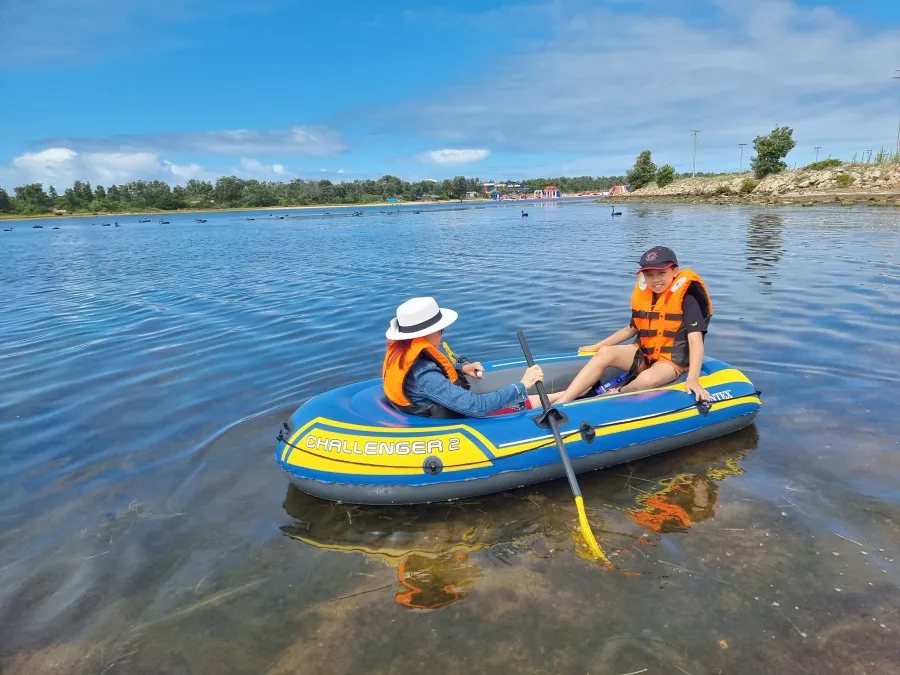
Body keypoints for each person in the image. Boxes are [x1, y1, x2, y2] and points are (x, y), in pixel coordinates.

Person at [551, 246, 712, 404]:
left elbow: (695, 340)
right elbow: (631, 329)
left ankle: (618, 392)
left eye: (662, 273)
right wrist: (596, 346)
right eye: (649, 275)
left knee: (647, 379)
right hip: (644, 355)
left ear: (674, 271)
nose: (655, 280)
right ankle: (563, 401)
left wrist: (693, 379)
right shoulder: (647, 296)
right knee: (605, 353)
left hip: (671, 363)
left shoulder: (687, 299)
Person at [383, 297, 544, 418]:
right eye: (440, 330)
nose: (443, 332)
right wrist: (523, 385)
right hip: (453, 422)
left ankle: (565, 396)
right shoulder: (425, 376)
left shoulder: (401, 354)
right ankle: (566, 399)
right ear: (423, 335)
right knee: (532, 402)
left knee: (544, 398)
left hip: (429, 407)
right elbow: (477, 406)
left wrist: (462, 368)